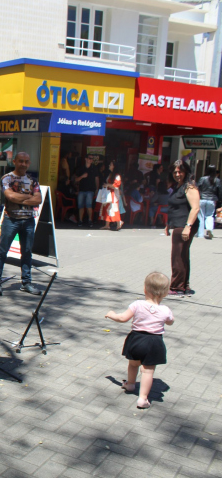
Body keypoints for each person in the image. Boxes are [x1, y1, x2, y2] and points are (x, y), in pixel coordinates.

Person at [104, 272, 174, 410]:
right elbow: (170, 321)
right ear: (165, 293)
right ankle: (142, 398)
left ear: (144, 289)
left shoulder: (137, 304)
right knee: (148, 371)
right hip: (154, 342)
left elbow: (123, 318)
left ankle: (130, 384)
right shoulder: (165, 310)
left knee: (133, 364)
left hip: (136, 339)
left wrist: (112, 314)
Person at [0, 152, 42, 296]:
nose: (23, 164)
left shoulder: (33, 180)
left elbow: (38, 200)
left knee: (27, 253)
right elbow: (10, 196)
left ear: (29, 163)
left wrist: (20, 198)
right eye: (21, 161)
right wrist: (29, 197)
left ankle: (26, 283)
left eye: (26, 161)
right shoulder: (7, 178)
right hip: (11, 220)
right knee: (2, 252)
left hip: (28, 221)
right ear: (14, 161)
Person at [165, 160, 200, 297]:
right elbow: (175, 207)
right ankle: (184, 286)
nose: (177, 174)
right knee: (183, 255)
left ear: (186, 172)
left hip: (184, 225)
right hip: (178, 224)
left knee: (178, 256)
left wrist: (188, 226)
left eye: (180, 171)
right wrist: (168, 224)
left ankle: (177, 286)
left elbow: (195, 208)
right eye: (175, 172)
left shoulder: (189, 188)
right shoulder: (178, 187)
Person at [196, 165, 220, 239]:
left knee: (201, 216)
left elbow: (198, 188)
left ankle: (200, 234)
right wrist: (218, 199)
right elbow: (219, 191)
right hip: (212, 200)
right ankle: (209, 229)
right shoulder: (217, 180)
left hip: (202, 199)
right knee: (209, 215)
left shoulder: (202, 179)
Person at [99, 160, 124, 230]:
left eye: (111, 164)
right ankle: (107, 225)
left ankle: (119, 222)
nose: (109, 166)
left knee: (114, 208)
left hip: (113, 194)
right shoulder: (111, 174)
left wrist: (107, 185)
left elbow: (116, 185)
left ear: (114, 166)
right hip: (108, 193)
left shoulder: (117, 175)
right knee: (107, 208)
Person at [75, 155, 98, 227]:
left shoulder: (94, 168)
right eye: (89, 158)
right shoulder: (81, 168)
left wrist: (97, 189)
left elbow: (97, 179)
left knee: (89, 206)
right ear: (86, 159)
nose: (91, 160)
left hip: (90, 190)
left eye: (92, 159)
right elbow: (75, 180)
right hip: (82, 190)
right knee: (80, 206)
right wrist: (82, 176)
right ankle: (80, 220)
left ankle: (90, 220)